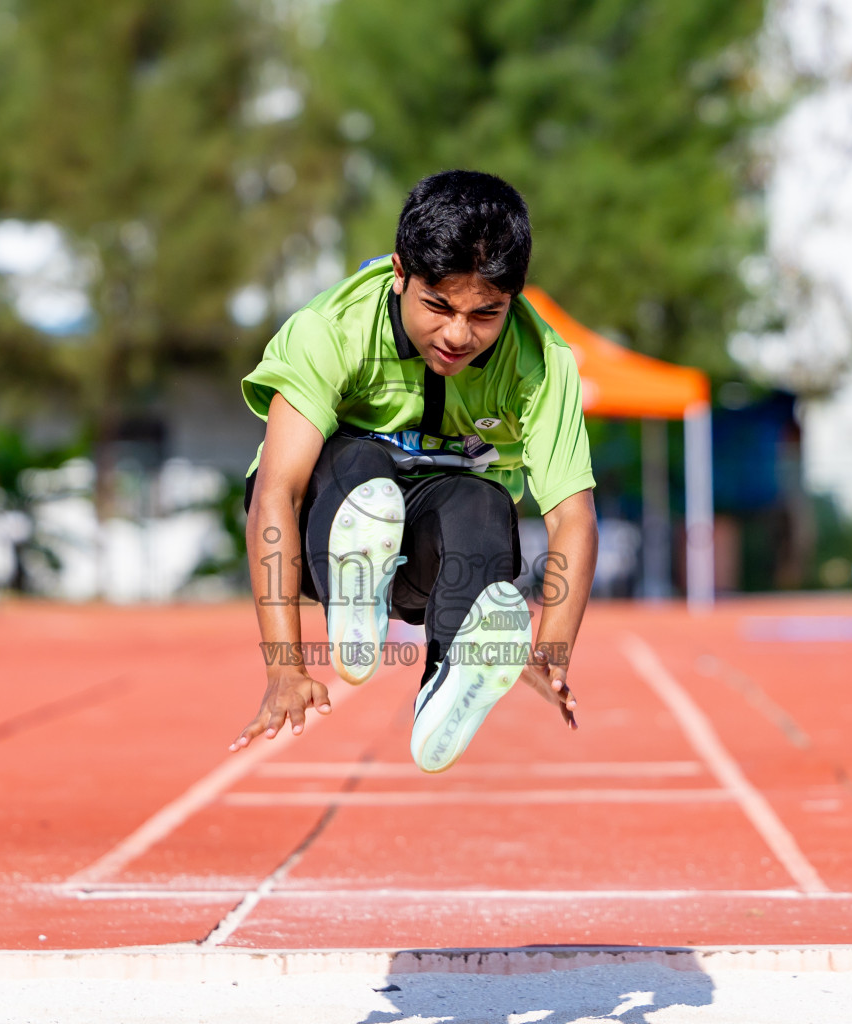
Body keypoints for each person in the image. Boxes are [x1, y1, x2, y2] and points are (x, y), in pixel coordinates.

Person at [231, 170, 599, 772]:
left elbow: (573, 516)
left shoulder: (541, 362)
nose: (459, 335)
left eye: (487, 313)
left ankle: (447, 676)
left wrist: (549, 650)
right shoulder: (333, 330)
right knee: (363, 464)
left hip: (432, 557)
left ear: (515, 296)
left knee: (483, 502)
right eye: (438, 305)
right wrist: (284, 667)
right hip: (318, 535)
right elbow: (277, 493)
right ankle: (354, 589)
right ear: (400, 273)